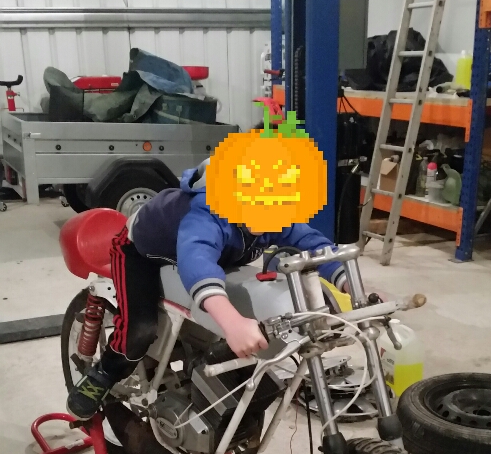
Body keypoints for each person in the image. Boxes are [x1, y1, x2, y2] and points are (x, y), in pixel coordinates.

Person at [67, 159, 350, 421]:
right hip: (139, 251)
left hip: (205, 252)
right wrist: (233, 323)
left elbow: (313, 244)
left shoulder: (272, 211)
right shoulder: (206, 215)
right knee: (139, 330)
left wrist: (347, 282)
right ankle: (103, 374)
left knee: (214, 321)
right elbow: (197, 262)